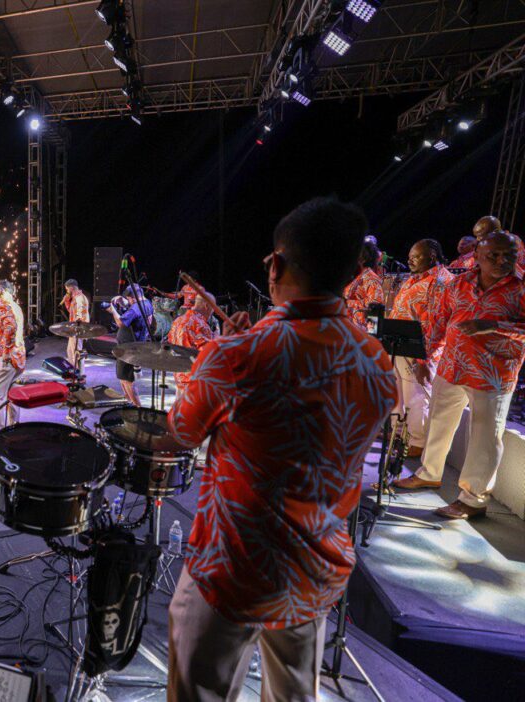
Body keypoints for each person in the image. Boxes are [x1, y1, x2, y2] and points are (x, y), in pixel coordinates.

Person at [165, 197, 398, 700]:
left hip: (233, 567)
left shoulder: (236, 355)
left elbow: (181, 430)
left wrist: (215, 362)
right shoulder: (377, 360)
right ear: (350, 274)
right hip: (312, 570)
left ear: (276, 266)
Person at [394, 231, 525, 520]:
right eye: (493, 255)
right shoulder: (460, 283)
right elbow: (439, 322)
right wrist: (425, 358)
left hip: (493, 373)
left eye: (509, 255)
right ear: (476, 255)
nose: (502, 261)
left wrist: (494, 325)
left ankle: (473, 500)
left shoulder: (521, 286)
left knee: (484, 438)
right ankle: (429, 474)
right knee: (438, 423)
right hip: (452, 365)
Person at [388, 239, 454, 458]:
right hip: (400, 344)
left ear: (432, 257)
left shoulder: (440, 281)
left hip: (420, 350)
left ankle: (417, 441)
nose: (410, 261)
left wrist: (424, 359)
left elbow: (437, 324)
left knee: (416, 396)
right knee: (398, 393)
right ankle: (398, 434)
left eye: (416, 257)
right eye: (410, 257)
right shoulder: (415, 278)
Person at [0, 281, 26, 433]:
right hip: (18, 358)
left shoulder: (3, 305)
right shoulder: (16, 306)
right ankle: (13, 431)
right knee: (12, 397)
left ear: (1, 290)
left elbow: (10, 327)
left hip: (5, 360)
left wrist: (5, 353)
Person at [109, 284, 154, 406]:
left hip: (128, 348)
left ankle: (138, 407)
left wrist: (112, 309)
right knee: (122, 377)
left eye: (129, 299)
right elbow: (136, 314)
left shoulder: (135, 309)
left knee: (128, 381)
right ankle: (128, 402)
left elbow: (120, 323)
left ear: (134, 297)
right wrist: (124, 302)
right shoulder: (147, 303)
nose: (128, 301)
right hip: (133, 345)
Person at [166, 295, 215, 395]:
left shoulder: (177, 321)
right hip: (194, 384)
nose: (212, 312)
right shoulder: (201, 325)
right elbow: (208, 356)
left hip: (179, 379)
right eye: (213, 308)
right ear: (206, 306)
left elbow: (170, 344)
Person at [343, 240, 384, 329]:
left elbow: (375, 308)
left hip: (361, 330)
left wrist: (372, 332)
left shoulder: (371, 279)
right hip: (348, 327)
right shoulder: (355, 276)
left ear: (363, 259)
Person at [60, 278, 90, 367]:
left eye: (67, 289)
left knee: (76, 352)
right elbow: (72, 311)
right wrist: (66, 301)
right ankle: (73, 369)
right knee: (70, 351)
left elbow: (80, 312)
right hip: (74, 329)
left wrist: (78, 320)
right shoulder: (75, 298)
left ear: (71, 288)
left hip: (78, 328)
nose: (67, 291)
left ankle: (78, 371)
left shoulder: (80, 298)